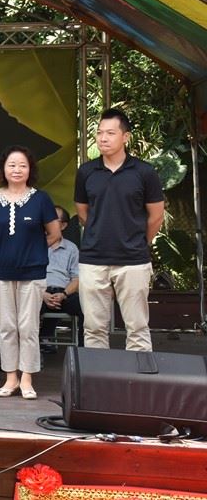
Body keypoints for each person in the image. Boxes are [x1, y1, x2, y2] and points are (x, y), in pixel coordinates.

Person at [74, 108, 164, 352]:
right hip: (93, 259)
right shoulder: (86, 171)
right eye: (99, 132)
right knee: (93, 327)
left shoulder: (144, 172)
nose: (103, 138)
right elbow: (82, 213)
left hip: (133, 260)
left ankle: (139, 375)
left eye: (110, 133)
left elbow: (156, 216)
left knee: (137, 327)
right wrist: (100, 232)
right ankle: (97, 375)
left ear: (125, 137)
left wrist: (138, 242)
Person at [0, 146, 59, 400]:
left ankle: (27, 379)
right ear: (3, 169)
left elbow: (54, 233)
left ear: (30, 169)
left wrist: (34, 250)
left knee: (28, 327)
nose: (17, 170)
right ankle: (10, 377)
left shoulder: (41, 199)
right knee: (6, 327)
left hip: (33, 273)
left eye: (22, 165)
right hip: (0, 272)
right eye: (12, 165)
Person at [40, 205, 83, 352]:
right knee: (28, 303)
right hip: (39, 291)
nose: (47, 222)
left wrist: (63, 294)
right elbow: (26, 276)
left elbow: (76, 278)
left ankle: (83, 352)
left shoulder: (72, 249)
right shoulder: (34, 245)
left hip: (64, 292)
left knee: (86, 305)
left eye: (53, 219)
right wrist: (42, 294)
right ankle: (33, 351)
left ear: (63, 225)